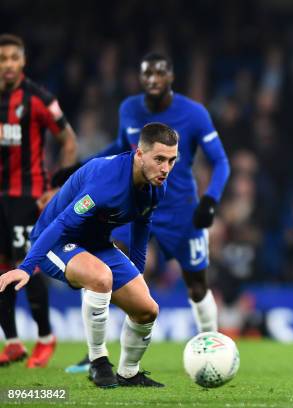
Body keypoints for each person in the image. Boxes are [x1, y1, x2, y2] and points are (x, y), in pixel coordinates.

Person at [58, 52, 230, 373]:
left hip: (181, 212)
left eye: (159, 74)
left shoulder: (194, 114)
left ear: (171, 77)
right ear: (140, 78)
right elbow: (122, 149)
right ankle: (95, 355)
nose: (153, 80)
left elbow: (220, 161)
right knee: (102, 268)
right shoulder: (129, 109)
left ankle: (212, 349)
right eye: (147, 74)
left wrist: (211, 200)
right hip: (133, 205)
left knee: (196, 284)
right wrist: (81, 169)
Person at [0, 122, 178, 388]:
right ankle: (98, 362)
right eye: (159, 159)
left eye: (172, 161)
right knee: (100, 277)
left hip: (97, 245)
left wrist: (136, 272)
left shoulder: (157, 185)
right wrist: (26, 267)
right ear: (139, 154)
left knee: (147, 310)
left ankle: (129, 373)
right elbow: (60, 224)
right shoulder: (107, 181)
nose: (165, 168)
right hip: (57, 241)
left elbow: (142, 224)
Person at [0, 33, 78, 368]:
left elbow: (69, 139)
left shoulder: (38, 99)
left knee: (25, 268)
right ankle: (13, 343)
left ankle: (45, 338)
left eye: (13, 58)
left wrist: (56, 187)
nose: (7, 65)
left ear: (23, 62)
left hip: (27, 196)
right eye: (2, 59)